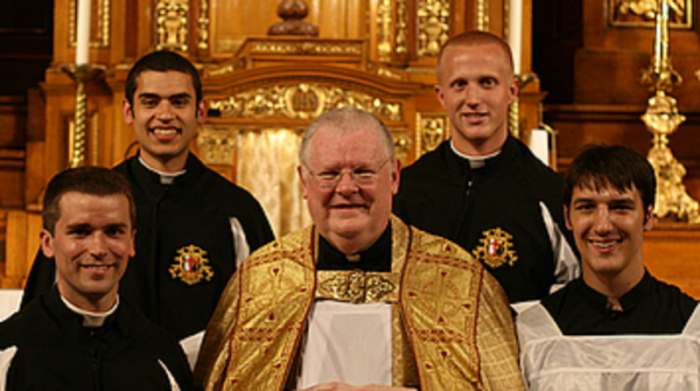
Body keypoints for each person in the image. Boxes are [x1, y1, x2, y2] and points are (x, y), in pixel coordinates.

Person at [194, 107, 524, 390]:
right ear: (305, 182)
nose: (347, 187)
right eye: (329, 174)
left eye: (364, 172)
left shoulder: (459, 280)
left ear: (394, 177)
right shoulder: (260, 281)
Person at [21, 51, 275, 363]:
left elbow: (266, 315)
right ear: (129, 111)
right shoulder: (92, 202)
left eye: (179, 102)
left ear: (201, 111)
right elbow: (40, 309)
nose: (165, 115)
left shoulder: (236, 210)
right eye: (151, 102)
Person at [393, 31, 578, 306]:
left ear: (512, 90)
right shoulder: (408, 191)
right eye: (459, 85)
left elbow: (572, 291)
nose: (473, 99)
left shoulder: (548, 191)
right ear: (441, 96)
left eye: (487, 83)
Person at [517, 145, 700, 390]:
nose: (603, 226)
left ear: (647, 217)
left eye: (620, 207)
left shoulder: (693, 329)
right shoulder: (535, 331)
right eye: (587, 207)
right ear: (568, 218)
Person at [0, 167, 194, 390]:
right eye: (80, 232)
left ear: (131, 242)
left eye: (113, 232)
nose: (99, 249)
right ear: (48, 243)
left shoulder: (162, 352)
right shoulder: (9, 350)